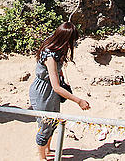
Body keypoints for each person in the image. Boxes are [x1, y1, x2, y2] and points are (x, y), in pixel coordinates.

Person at [29, 22, 90, 160]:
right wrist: (78, 101)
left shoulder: (54, 45)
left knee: (53, 121)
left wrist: (59, 73)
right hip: (42, 92)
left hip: (50, 91)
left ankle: (48, 149)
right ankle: (42, 157)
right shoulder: (50, 56)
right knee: (45, 124)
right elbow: (56, 87)